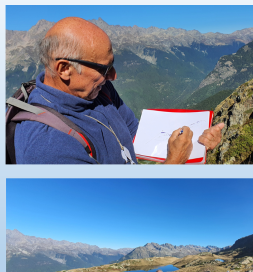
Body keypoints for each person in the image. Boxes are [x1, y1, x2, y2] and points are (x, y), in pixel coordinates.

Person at [13, 17, 224, 164]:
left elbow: (138, 135)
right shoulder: (46, 147)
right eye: (104, 69)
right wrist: (175, 162)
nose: (113, 76)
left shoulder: (100, 89)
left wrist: (195, 141)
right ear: (65, 69)